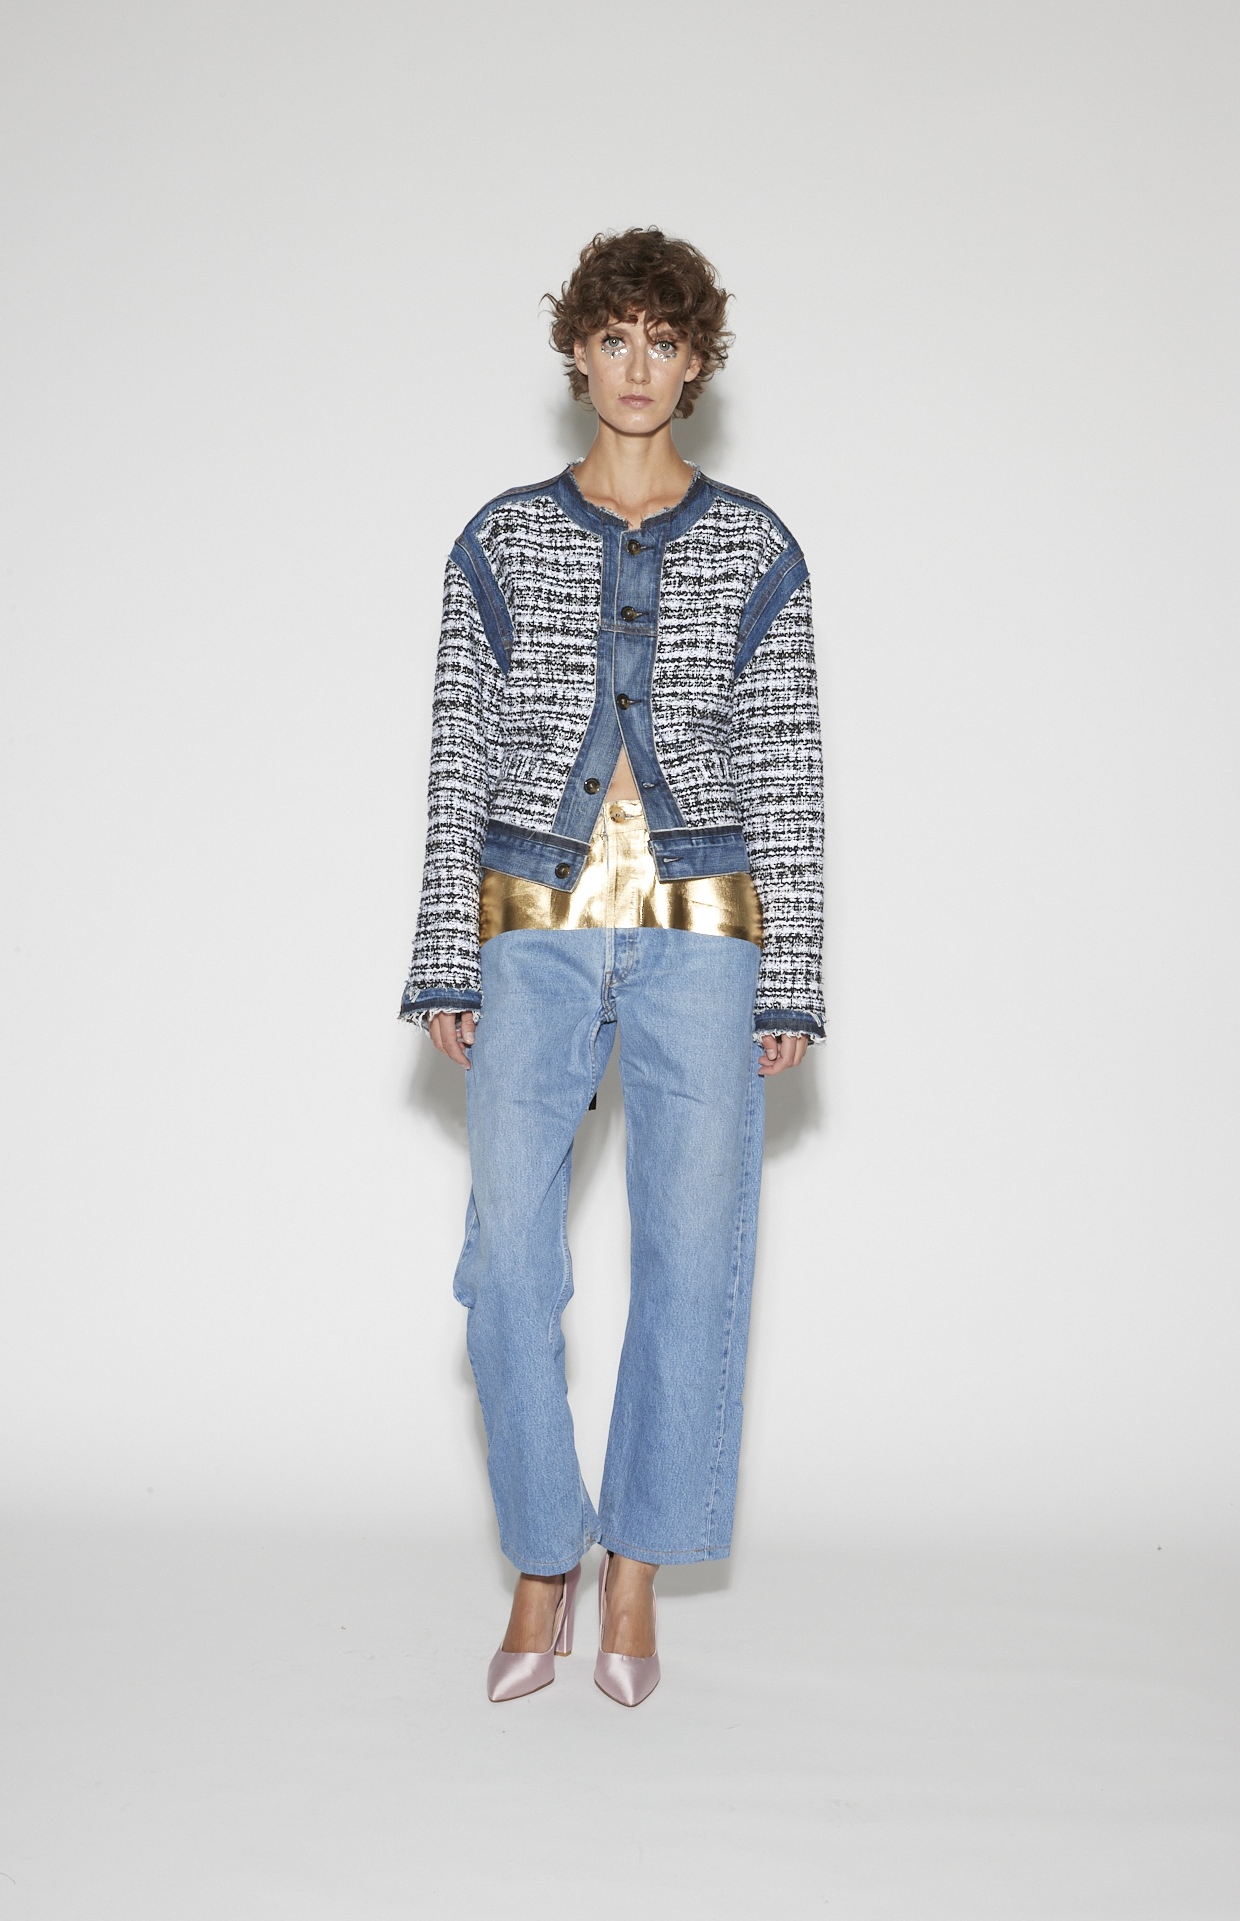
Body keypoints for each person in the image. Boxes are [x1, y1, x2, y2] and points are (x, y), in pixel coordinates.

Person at [401, 227, 824, 1704]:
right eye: (614, 337)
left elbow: (786, 766)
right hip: (532, 927)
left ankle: (634, 1572)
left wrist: (790, 974)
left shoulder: (757, 546)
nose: (638, 365)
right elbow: (457, 754)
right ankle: (543, 1555)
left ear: (696, 362)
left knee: (692, 1257)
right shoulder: (499, 541)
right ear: (577, 352)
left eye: (665, 340)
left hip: (705, 938)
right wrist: (444, 958)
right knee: (510, 1259)